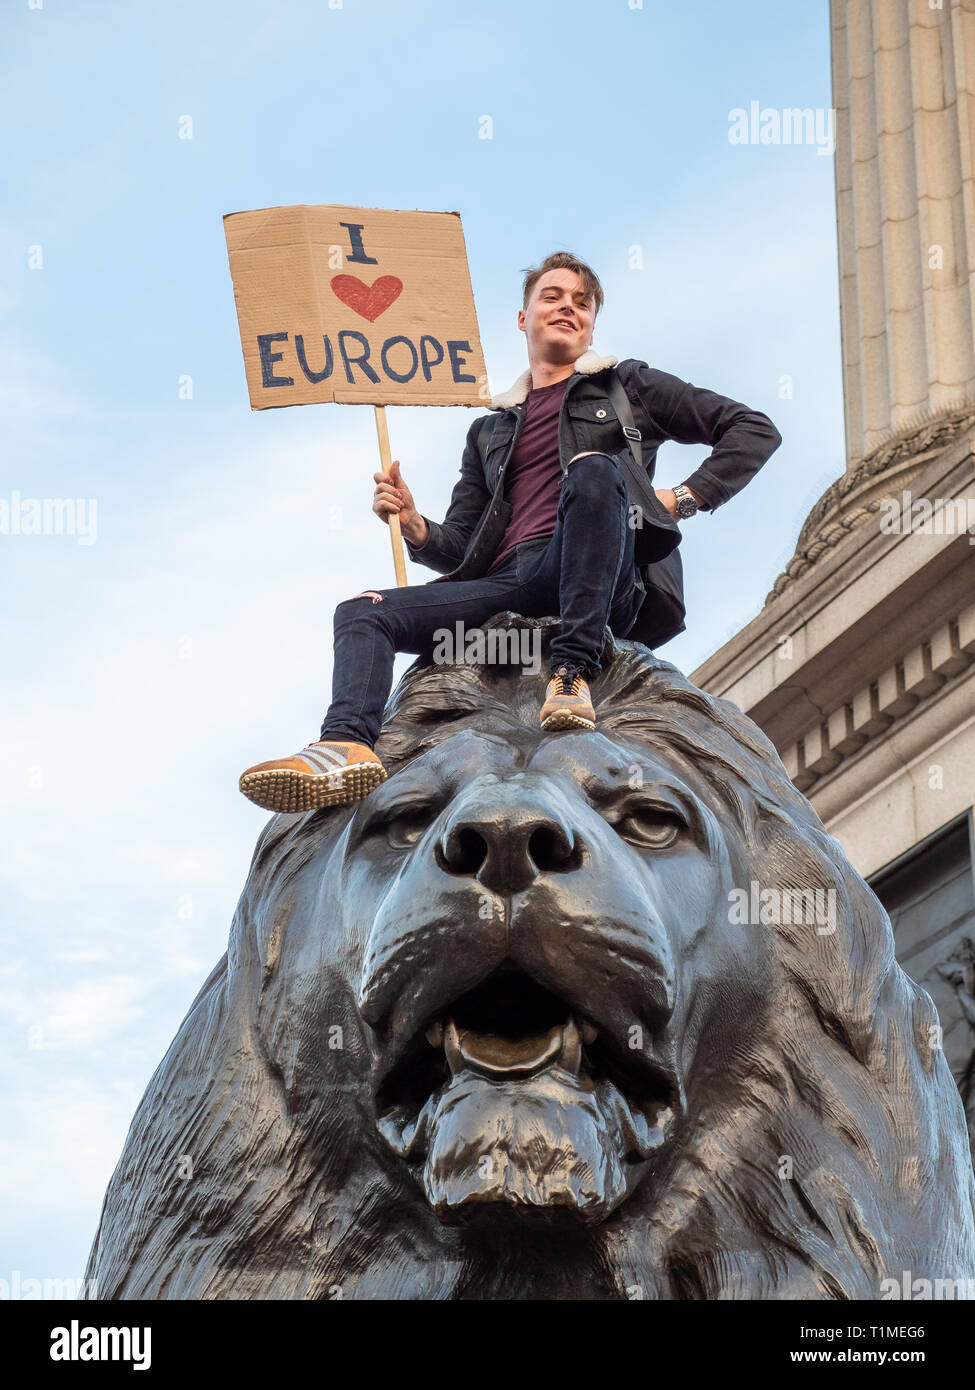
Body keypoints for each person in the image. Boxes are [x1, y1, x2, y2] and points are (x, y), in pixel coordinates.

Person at [239, 251, 781, 813]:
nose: (568, 308)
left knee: (596, 469)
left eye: (582, 302)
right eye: (553, 297)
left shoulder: (627, 386)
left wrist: (679, 498)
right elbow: (463, 548)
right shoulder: (488, 430)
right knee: (360, 612)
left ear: (592, 323)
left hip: (598, 571)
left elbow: (752, 428)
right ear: (523, 318)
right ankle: (345, 744)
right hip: (510, 582)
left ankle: (572, 672)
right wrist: (417, 525)